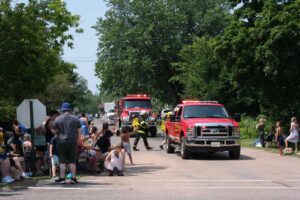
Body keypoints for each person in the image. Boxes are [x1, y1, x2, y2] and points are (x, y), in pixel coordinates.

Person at [52, 102, 81, 184]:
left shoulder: (57, 119)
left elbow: (53, 130)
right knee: (72, 161)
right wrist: (78, 140)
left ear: (62, 110)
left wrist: (57, 132)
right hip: (73, 141)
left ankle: (62, 178)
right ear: (70, 110)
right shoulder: (76, 119)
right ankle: (73, 178)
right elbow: (79, 131)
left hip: (61, 141)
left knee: (62, 161)